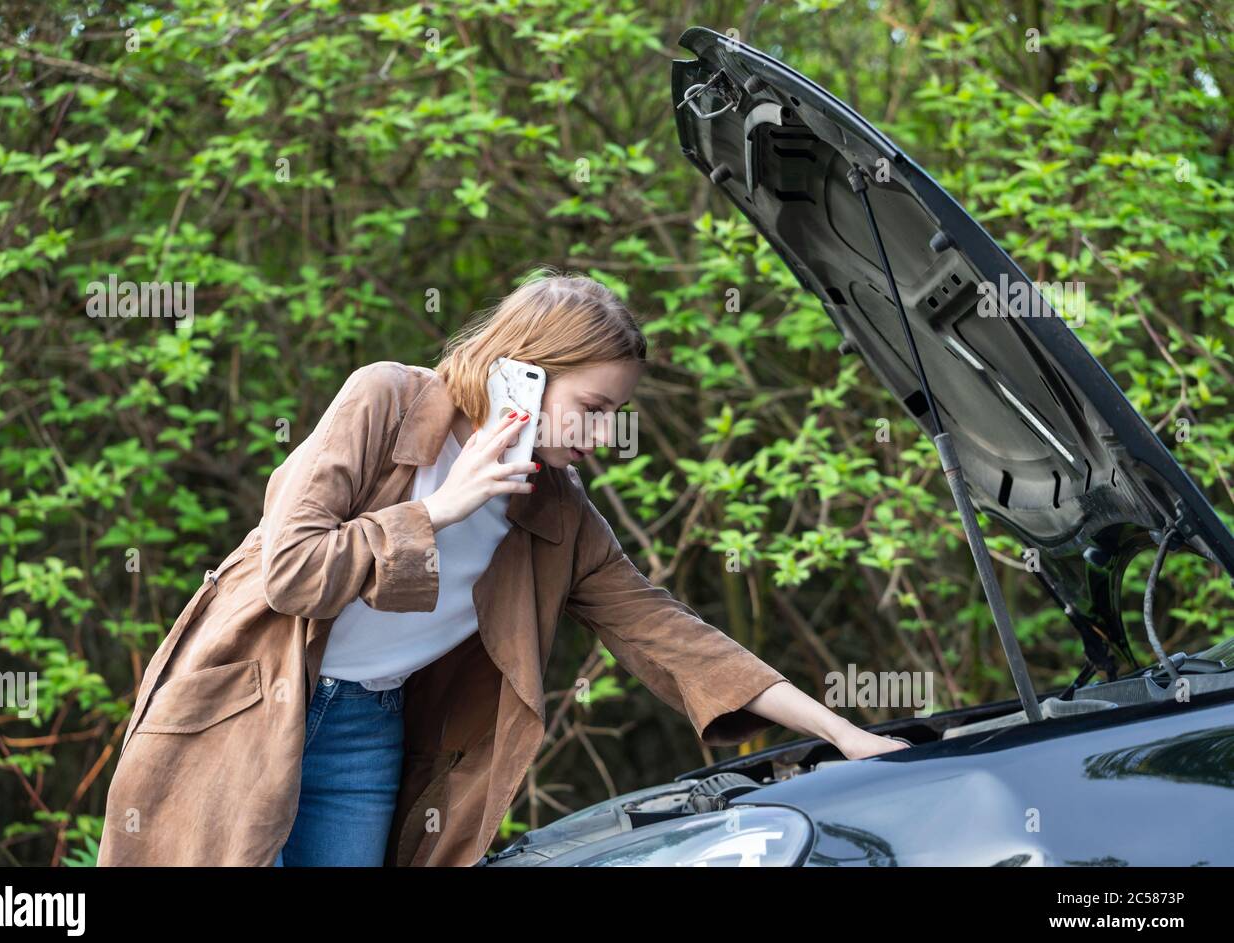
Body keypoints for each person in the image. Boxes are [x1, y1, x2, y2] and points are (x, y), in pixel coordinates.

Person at [97, 266, 908, 869]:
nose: (602, 438)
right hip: (240, 707)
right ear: (521, 370)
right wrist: (438, 512)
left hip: (363, 732)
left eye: (615, 416)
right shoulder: (384, 401)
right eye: (592, 410)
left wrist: (843, 733)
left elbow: (673, 636)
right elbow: (292, 571)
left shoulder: (555, 510)